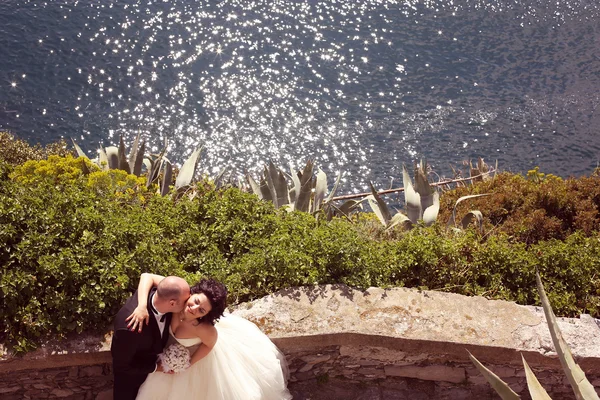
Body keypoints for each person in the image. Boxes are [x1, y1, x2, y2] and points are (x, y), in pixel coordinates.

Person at [127, 273, 292, 400]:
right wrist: (142, 306)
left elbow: (209, 345)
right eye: (196, 301)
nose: (194, 308)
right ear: (192, 293)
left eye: (201, 310)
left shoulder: (203, 329)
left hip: (200, 366)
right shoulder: (181, 295)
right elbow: (146, 276)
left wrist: (187, 364)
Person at [111, 275, 191, 400]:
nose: (188, 303)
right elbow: (122, 366)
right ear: (172, 303)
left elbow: (147, 276)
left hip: (153, 379)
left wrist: (142, 305)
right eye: (186, 301)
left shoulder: (162, 295)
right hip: (131, 380)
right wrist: (156, 368)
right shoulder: (128, 328)